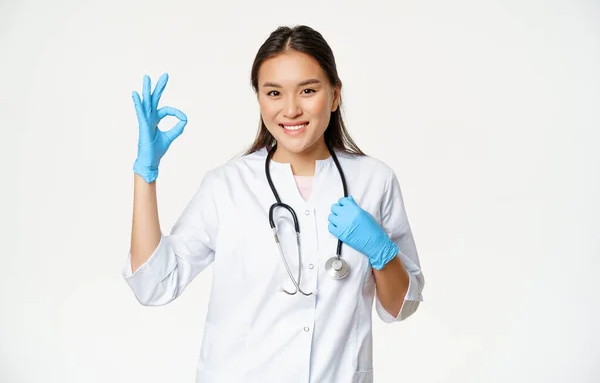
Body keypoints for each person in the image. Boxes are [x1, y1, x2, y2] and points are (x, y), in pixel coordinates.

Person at [123, 25, 424, 383]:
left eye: (308, 90)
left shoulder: (374, 181)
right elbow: (154, 285)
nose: (291, 109)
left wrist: (382, 252)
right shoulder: (228, 185)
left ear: (334, 95)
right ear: (260, 99)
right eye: (274, 93)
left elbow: (401, 307)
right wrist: (146, 174)